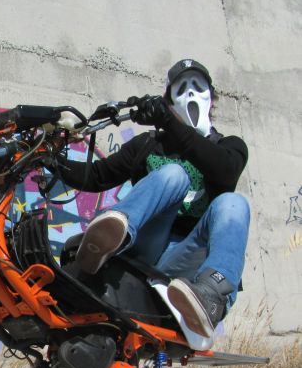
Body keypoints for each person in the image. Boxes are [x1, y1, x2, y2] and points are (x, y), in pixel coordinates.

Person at [56, 59, 250, 338]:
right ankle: (107, 242)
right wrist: (52, 161)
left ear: (211, 97)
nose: (191, 93)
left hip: (185, 261)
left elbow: (225, 171)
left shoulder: (229, 147)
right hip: (143, 248)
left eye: (198, 86)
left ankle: (212, 295)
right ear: (169, 99)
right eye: (181, 88)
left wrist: (168, 122)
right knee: (174, 175)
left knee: (234, 203)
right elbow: (97, 176)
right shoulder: (149, 144)